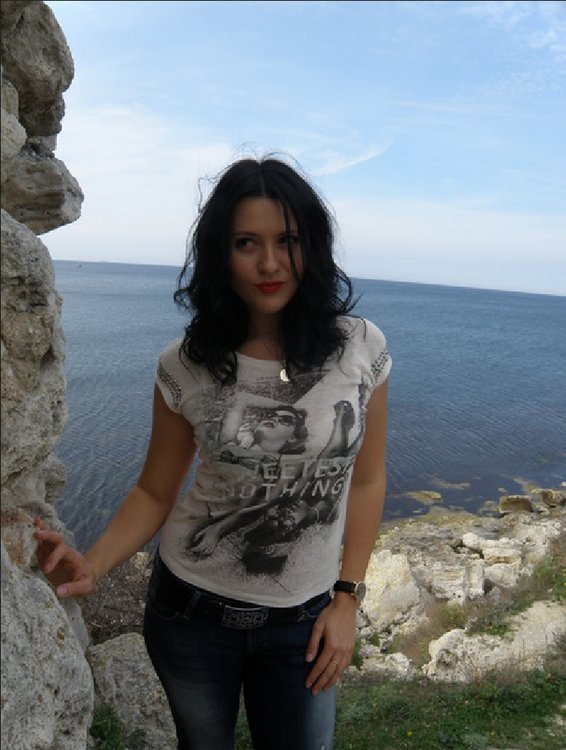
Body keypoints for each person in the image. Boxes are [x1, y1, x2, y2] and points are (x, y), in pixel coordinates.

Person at [34, 155, 391, 750]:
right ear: (221, 254)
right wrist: (94, 564)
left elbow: (368, 479)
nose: (270, 263)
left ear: (312, 246)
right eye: (247, 243)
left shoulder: (360, 348)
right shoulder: (186, 364)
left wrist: (348, 598)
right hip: (191, 616)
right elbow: (155, 491)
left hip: (304, 621)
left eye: (288, 241)